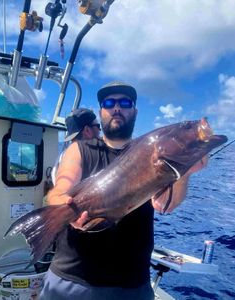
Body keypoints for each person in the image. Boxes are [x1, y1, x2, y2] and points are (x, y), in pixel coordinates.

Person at [40, 81, 206, 300]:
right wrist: (60, 205)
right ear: (101, 111)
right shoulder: (80, 149)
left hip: (132, 285)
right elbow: (63, 184)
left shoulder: (151, 153)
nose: (116, 108)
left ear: (134, 111)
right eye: (109, 103)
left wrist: (185, 171)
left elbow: (165, 205)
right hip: (72, 277)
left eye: (125, 102)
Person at [51, 108, 101, 185]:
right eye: (98, 126)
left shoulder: (62, 157)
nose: (100, 130)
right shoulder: (93, 157)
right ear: (87, 130)